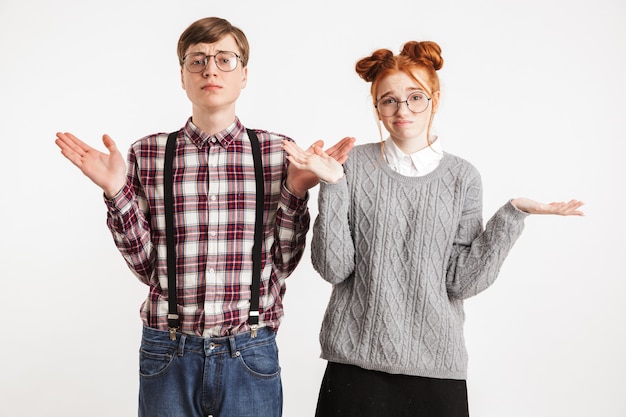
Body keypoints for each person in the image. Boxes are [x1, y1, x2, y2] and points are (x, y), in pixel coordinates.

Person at [55, 17, 354, 417]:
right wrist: (116, 192)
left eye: (224, 59)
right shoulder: (148, 154)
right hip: (168, 348)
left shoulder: (276, 152)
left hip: (250, 348)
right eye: (197, 60)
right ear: (182, 75)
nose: (210, 69)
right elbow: (147, 269)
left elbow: (284, 262)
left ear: (244, 74)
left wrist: (295, 191)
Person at [282, 40, 584, 417]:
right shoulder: (351, 166)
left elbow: (461, 282)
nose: (402, 109)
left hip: (435, 369)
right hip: (355, 365)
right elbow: (333, 268)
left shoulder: (462, 177)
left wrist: (513, 214)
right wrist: (333, 184)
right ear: (377, 107)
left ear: (435, 100)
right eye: (388, 100)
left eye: (415, 97)